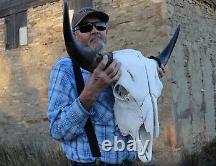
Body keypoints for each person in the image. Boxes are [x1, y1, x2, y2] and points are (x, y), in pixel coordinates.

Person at [48, 6, 165, 166]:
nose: (95, 30)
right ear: (75, 35)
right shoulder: (65, 69)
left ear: (106, 31)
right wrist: (90, 92)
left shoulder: (122, 64)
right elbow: (57, 130)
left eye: (100, 25)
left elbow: (135, 111)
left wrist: (151, 74)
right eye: (86, 27)